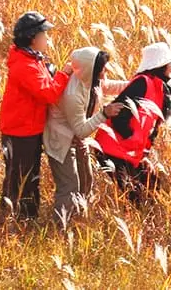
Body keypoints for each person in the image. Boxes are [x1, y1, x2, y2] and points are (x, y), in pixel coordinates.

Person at [0, 11, 72, 220]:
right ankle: (18, 220)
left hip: (28, 128)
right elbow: (47, 93)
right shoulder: (25, 65)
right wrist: (64, 74)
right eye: (44, 34)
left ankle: (22, 218)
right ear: (33, 37)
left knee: (26, 176)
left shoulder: (31, 58)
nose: (47, 39)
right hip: (20, 132)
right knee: (21, 179)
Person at [43, 47, 127, 224]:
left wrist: (136, 83)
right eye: (103, 67)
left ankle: (78, 219)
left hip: (76, 137)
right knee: (69, 185)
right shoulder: (73, 94)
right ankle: (60, 228)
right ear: (92, 69)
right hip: (62, 140)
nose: (106, 70)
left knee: (86, 180)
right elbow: (81, 129)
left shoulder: (90, 81)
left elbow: (109, 86)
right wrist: (104, 113)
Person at [93, 42, 171, 204]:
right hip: (110, 150)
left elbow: (152, 129)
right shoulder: (143, 82)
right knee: (138, 198)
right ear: (162, 65)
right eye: (170, 62)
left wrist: (143, 155)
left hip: (130, 153)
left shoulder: (160, 89)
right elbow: (119, 115)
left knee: (154, 190)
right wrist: (131, 139)